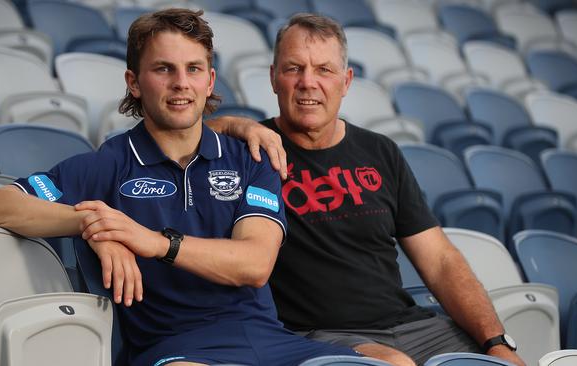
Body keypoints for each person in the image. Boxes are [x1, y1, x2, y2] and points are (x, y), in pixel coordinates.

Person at [0, 9, 363, 366]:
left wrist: (153, 241)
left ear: (210, 81)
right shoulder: (110, 164)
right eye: (164, 69)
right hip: (178, 351)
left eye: (193, 69)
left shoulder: (251, 158)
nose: (181, 84)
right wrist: (94, 221)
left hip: (274, 344)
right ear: (134, 82)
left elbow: (255, 264)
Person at [207, 13, 525, 366]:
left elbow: (440, 261)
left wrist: (496, 340)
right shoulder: (252, 151)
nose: (308, 82)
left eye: (324, 70)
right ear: (273, 78)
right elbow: (179, 142)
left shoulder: (381, 151)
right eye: (294, 68)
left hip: (412, 326)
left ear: (346, 81)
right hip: (318, 335)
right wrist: (233, 123)